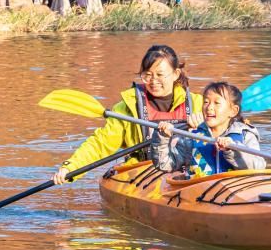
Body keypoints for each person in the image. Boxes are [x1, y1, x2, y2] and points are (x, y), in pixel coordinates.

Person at [52, 45, 204, 184]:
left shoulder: (199, 104)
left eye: (160, 75)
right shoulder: (128, 108)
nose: (153, 81)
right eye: (148, 75)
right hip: (143, 172)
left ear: (176, 74)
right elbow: (101, 144)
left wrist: (203, 128)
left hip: (190, 171)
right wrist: (70, 168)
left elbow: (222, 134)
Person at [152, 81, 265, 175]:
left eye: (217, 103)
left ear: (233, 111)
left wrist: (233, 149)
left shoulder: (246, 135)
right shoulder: (191, 138)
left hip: (236, 193)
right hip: (200, 194)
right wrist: (162, 138)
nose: (209, 107)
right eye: (206, 102)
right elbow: (165, 165)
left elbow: (259, 168)